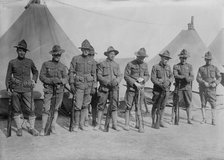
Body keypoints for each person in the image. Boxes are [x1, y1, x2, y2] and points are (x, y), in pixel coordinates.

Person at [5, 39, 39, 136]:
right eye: (20, 50)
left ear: (25, 52)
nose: (21, 52)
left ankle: (31, 128)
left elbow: (35, 72)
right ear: (17, 51)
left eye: (23, 51)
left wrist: (34, 80)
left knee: (31, 109)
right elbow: (8, 76)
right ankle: (19, 128)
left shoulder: (30, 62)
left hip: (27, 89)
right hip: (15, 89)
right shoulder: (12, 62)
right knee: (16, 109)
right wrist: (8, 88)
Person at [39, 45, 68, 136]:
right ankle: (43, 128)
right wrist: (51, 81)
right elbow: (41, 76)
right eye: (56, 54)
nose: (57, 56)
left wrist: (60, 81)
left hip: (59, 90)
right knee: (46, 109)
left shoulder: (63, 66)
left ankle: (53, 126)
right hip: (49, 89)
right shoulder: (46, 64)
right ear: (52, 55)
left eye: (59, 54)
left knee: (55, 109)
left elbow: (66, 77)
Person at [69, 39, 96, 131]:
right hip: (79, 85)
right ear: (81, 49)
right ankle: (76, 124)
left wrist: (94, 87)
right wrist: (71, 83)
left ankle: (81, 124)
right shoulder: (76, 59)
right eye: (84, 49)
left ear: (89, 50)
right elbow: (71, 71)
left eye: (87, 49)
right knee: (78, 105)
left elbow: (94, 74)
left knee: (85, 105)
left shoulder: (92, 61)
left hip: (88, 85)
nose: (86, 51)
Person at [123, 48, 149, 133]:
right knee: (128, 106)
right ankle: (127, 124)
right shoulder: (130, 64)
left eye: (143, 57)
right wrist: (135, 83)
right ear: (137, 56)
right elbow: (126, 76)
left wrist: (143, 80)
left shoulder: (145, 65)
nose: (142, 59)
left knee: (139, 107)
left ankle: (138, 124)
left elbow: (147, 75)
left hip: (140, 89)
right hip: (131, 89)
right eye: (140, 57)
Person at [96, 46, 122, 131]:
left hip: (114, 89)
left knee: (114, 106)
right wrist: (107, 82)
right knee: (101, 106)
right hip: (104, 89)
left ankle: (115, 124)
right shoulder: (102, 64)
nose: (112, 55)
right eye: (111, 54)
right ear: (107, 54)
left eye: (114, 54)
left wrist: (116, 81)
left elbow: (119, 75)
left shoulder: (116, 65)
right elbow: (99, 75)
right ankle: (98, 124)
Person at [196, 51, 221, 125]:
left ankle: (213, 120)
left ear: (211, 60)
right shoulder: (201, 68)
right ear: (205, 59)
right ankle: (204, 119)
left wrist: (215, 83)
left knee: (213, 104)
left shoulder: (215, 68)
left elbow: (219, 77)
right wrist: (203, 82)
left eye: (209, 59)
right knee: (203, 104)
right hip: (203, 89)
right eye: (207, 59)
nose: (208, 61)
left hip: (212, 89)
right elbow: (198, 78)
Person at [151, 50, 173, 129]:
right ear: (161, 58)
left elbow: (171, 76)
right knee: (155, 106)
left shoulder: (168, 67)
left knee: (163, 106)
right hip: (157, 90)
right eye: (164, 58)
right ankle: (153, 121)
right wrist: (160, 84)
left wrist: (169, 82)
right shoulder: (155, 67)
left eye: (167, 59)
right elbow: (153, 78)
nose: (166, 60)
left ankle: (160, 121)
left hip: (166, 90)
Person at [173, 49, 194, 124]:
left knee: (188, 103)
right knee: (176, 103)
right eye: (182, 58)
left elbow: (192, 76)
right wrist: (184, 77)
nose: (184, 59)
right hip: (179, 87)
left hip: (187, 87)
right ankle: (173, 118)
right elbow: (175, 75)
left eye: (185, 58)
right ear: (180, 58)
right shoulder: (176, 66)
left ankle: (189, 119)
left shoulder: (190, 66)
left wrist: (188, 79)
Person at [88, 45, 98, 127]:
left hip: (94, 86)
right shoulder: (83, 62)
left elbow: (97, 76)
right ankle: (84, 120)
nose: (91, 56)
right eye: (90, 55)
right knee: (84, 104)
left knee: (94, 105)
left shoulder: (96, 64)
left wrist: (94, 86)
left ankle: (94, 120)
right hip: (85, 86)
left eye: (92, 55)